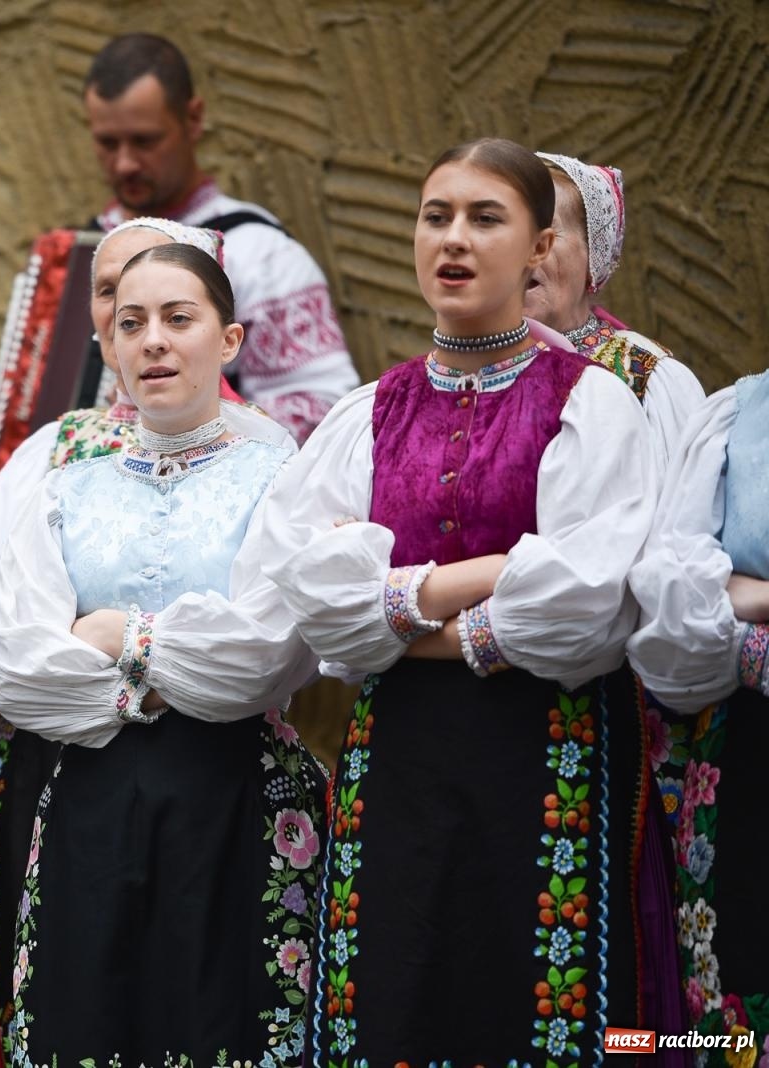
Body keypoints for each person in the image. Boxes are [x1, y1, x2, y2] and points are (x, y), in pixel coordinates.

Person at [247, 138, 674, 1062]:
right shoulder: (367, 413)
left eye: (486, 219)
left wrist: (392, 611)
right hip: (396, 759)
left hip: (545, 750)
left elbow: (585, 603)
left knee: (521, 1002)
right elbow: (314, 598)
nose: (454, 238)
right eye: (436, 215)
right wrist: (493, 576)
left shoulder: (593, 405)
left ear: (539, 248)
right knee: (395, 993)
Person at [0, 216, 293, 1046]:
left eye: (179, 318)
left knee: (215, 1018)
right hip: (84, 804)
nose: (153, 342)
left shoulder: (278, 473)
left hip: (229, 797)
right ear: (107, 340)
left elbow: (261, 657)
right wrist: (176, 655)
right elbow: (18, 666)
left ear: (229, 336)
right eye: (130, 322)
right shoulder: (65, 484)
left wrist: (111, 636)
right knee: (82, 1021)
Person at [81, 32, 359, 441]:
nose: (124, 163)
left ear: (193, 119)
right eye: (107, 143)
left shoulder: (259, 252)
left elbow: (326, 408)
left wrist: (182, 435)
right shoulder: (83, 248)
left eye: (144, 140)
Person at [627, 377, 768, 1057]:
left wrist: (748, 598)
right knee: (736, 1006)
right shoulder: (739, 414)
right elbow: (679, 598)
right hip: (752, 754)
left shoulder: (656, 381)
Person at [523, 151, 704, 469]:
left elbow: (686, 505)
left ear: (594, 255)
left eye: (545, 233)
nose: (524, 250)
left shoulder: (646, 378)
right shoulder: (463, 368)